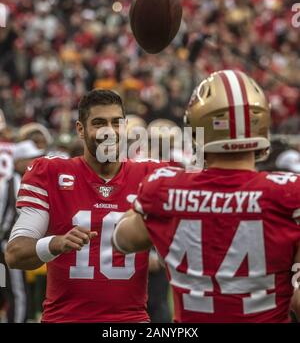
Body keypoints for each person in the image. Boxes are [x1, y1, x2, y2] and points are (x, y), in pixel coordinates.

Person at [113, 70, 300, 323]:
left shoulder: (164, 188)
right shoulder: (289, 192)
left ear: (197, 129)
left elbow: (122, 240)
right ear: (262, 126)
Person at [5, 89, 164, 323]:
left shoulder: (150, 176)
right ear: (80, 129)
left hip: (130, 321)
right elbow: (15, 253)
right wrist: (55, 243)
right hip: (66, 318)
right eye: (99, 123)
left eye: (115, 123)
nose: (109, 132)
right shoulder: (51, 173)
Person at [0, 140, 44, 323]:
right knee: (18, 294)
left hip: (19, 245)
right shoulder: (10, 184)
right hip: (9, 245)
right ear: (18, 161)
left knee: (18, 292)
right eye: (30, 158)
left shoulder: (22, 182)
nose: (34, 161)